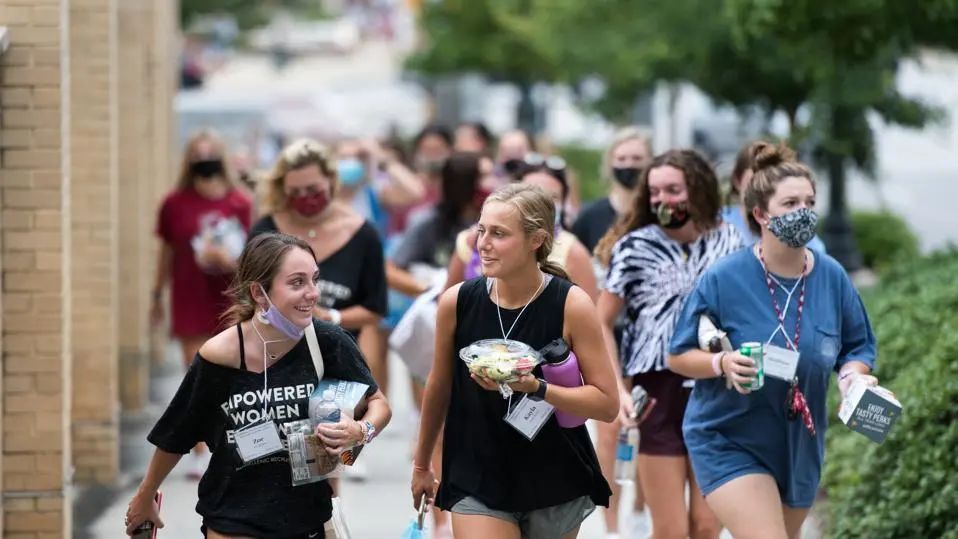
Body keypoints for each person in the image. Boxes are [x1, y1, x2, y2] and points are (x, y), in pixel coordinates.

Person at [668, 143, 878, 539]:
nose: (804, 211)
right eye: (790, 202)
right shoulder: (724, 278)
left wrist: (853, 377)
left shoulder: (832, 277)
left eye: (810, 201)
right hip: (728, 436)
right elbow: (678, 354)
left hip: (799, 442)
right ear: (761, 214)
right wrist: (721, 364)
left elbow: (857, 346)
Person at [124, 233, 391, 538]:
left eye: (314, 280)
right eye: (297, 283)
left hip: (308, 521)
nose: (313, 293)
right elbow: (176, 434)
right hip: (233, 520)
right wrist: (146, 495)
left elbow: (378, 403)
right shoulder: (220, 355)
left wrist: (361, 431)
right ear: (259, 292)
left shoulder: (328, 341)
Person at [412, 183, 619, 539]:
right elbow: (439, 386)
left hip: (554, 473)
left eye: (499, 234)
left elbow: (606, 404)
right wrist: (422, 464)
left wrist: (536, 387)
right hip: (477, 472)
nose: (483, 243)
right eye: (481, 230)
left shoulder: (571, 304)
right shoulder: (457, 302)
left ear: (536, 240)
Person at [595, 149, 742, 539]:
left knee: (707, 525)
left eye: (673, 189)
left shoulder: (730, 241)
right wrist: (618, 389)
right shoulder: (634, 247)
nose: (663, 200)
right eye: (655, 192)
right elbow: (599, 323)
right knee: (672, 530)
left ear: (696, 188)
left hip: (716, 390)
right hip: (656, 390)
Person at [152, 130, 253, 478]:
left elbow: (257, 253)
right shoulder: (174, 203)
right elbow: (166, 250)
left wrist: (230, 261)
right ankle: (199, 449)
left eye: (211, 152)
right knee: (195, 372)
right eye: (198, 153)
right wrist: (156, 295)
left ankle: (233, 442)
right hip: (189, 292)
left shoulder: (240, 202)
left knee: (235, 374)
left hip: (229, 296)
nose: (204, 159)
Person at [571, 127, 653, 538]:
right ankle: (611, 525)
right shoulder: (590, 217)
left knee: (649, 428)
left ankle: (639, 508)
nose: (629, 168)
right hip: (602, 337)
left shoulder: (657, 213)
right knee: (610, 428)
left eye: (637, 160)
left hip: (648, 337)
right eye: (621, 160)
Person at [248, 138, 388, 341]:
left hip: (338, 353)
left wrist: (330, 317)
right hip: (275, 350)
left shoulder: (362, 234)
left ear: (331, 180)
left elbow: (375, 309)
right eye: (295, 192)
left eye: (312, 189)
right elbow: (247, 298)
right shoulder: (266, 231)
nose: (305, 197)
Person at [445, 155, 599, 301]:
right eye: (532, 194)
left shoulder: (574, 252)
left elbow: (592, 319)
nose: (540, 204)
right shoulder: (472, 240)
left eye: (551, 197)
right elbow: (447, 304)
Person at [722, 141, 826, 252]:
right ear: (737, 181)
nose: (762, 190)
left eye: (811, 202)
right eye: (753, 181)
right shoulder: (718, 226)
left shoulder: (806, 240)